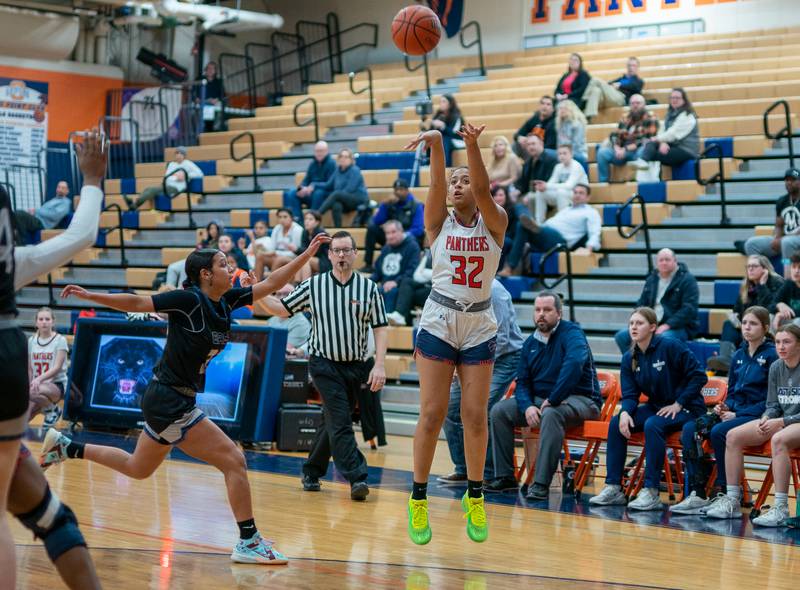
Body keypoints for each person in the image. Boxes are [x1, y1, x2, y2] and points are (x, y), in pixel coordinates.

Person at [42, 233, 331, 565]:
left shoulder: (226, 301)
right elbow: (138, 302)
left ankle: (67, 446)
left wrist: (306, 254)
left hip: (168, 399)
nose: (230, 267)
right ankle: (249, 541)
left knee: (138, 467)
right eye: (223, 264)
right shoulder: (189, 300)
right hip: (170, 401)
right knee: (234, 460)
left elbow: (269, 284)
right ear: (206, 275)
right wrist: (90, 295)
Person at [1, 129, 107, 590]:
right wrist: (94, 177)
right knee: (50, 517)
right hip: (6, 353)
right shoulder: (14, 262)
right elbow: (82, 233)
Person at [403, 122, 507, 545]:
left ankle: (475, 496)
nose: (458, 185)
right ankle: (418, 498)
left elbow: (484, 192)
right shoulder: (437, 223)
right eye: (454, 182)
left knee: (475, 416)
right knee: (431, 413)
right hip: (440, 319)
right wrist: (439, 145)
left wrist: (472, 145)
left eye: (465, 179)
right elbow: (435, 182)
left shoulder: (495, 222)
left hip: (479, 321)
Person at [258, 231, 388, 501]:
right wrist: (255, 294)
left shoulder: (369, 289)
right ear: (329, 256)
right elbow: (282, 309)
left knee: (333, 421)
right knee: (341, 420)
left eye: (346, 250)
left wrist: (380, 365)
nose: (341, 255)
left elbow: (380, 327)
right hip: (323, 364)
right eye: (336, 250)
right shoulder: (314, 286)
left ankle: (311, 471)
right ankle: (357, 477)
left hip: (355, 366)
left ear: (354, 254)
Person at [486, 291, 600, 500]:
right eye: (538, 310)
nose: (541, 314)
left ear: (559, 313)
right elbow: (522, 382)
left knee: (552, 414)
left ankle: (540, 484)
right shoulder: (530, 343)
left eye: (547, 310)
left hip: (581, 400)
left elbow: (573, 366)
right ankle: (505, 477)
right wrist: (528, 405)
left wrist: (554, 398)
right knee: (499, 411)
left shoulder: (572, 334)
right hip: (544, 401)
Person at [590, 307, 707, 510]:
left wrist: (678, 403)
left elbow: (699, 376)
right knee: (617, 422)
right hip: (659, 407)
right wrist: (625, 411)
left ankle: (651, 491)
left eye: (639, 323)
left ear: (653, 327)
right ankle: (614, 487)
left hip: (688, 407)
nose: (634, 327)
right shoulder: (629, 358)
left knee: (653, 424)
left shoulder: (670, 346)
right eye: (631, 323)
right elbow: (630, 395)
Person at [671, 306, 776, 515]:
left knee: (720, 432)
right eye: (745, 323)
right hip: (735, 413)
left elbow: (769, 399)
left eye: (753, 323)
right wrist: (725, 406)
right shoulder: (738, 355)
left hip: (756, 415)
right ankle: (698, 493)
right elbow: (734, 391)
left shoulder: (772, 355)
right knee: (691, 429)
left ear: (765, 327)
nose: (747, 327)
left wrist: (736, 414)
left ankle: (725, 492)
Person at [705, 323, 800, 526]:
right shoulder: (776, 367)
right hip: (780, 420)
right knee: (732, 436)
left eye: (787, 342)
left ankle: (781, 507)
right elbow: (773, 404)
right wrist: (767, 417)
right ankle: (732, 499)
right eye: (778, 342)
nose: (781, 347)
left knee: (779, 439)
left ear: (799, 345)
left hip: (793, 422)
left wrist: (780, 421)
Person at [437, 279, 525, 486]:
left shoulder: (494, 291)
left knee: (479, 409)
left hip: (505, 358)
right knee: (448, 407)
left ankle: (488, 472)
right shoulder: (457, 290)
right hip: (472, 358)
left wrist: (474, 369)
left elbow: (501, 339)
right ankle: (463, 468)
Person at [499, 184, 601, 277]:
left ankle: (509, 267)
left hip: (559, 241)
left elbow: (595, 232)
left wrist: (589, 248)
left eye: (581, 193)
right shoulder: (566, 209)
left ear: (588, 197)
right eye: (575, 192)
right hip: (545, 235)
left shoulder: (590, 212)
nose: (577, 195)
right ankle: (530, 222)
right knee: (520, 222)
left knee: (522, 222)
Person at [614, 248, 699, 353]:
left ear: (675, 261)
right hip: (651, 324)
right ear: (657, 263)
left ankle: (656, 368)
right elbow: (641, 303)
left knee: (662, 338)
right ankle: (635, 365)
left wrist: (666, 325)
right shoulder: (652, 279)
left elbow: (689, 309)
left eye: (667, 260)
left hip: (678, 327)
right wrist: (635, 322)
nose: (664, 263)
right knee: (622, 336)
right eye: (661, 260)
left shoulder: (687, 280)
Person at [707, 256, 783, 373]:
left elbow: (768, 309)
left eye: (754, 266)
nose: (750, 269)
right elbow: (737, 308)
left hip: (766, 326)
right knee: (728, 324)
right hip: (747, 325)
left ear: (765, 269)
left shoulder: (777, 283)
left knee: (750, 325)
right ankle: (726, 359)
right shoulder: (746, 287)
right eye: (748, 266)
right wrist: (736, 318)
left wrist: (762, 286)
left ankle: (735, 364)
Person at [636, 88, 699, 182]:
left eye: (677, 98)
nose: (674, 100)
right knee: (650, 145)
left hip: (686, 150)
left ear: (684, 100)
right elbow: (662, 132)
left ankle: (648, 181)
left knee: (652, 152)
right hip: (674, 146)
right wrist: (661, 143)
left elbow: (673, 134)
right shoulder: (670, 114)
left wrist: (657, 139)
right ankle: (644, 167)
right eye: (672, 97)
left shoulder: (688, 116)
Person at [362, 178, 424, 272]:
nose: (398, 192)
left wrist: (400, 236)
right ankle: (368, 264)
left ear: (407, 190)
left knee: (413, 237)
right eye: (396, 190)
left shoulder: (416, 205)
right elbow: (376, 221)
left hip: (408, 239)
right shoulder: (390, 203)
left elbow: (418, 229)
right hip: (391, 236)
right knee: (372, 229)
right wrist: (385, 205)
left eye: (401, 189)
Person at [595, 94, 659, 183]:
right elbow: (615, 135)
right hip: (622, 152)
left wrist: (624, 149)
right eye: (632, 103)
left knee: (643, 150)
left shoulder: (651, 117)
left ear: (644, 105)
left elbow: (645, 139)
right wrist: (616, 148)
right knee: (602, 153)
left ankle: (640, 183)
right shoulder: (625, 117)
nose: (635, 105)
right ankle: (603, 183)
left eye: (638, 103)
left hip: (637, 151)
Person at [741, 168, 800, 261]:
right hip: (784, 240)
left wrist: (783, 240)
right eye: (787, 180)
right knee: (751, 244)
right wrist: (776, 238)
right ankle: (764, 273)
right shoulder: (782, 201)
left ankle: (788, 275)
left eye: (793, 180)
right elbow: (779, 226)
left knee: (786, 242)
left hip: (795, 240)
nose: (789, 182)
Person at [124, 147, 204, 211]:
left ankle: (133, 204)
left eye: (180, 153)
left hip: (176, 188)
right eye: (177, 153)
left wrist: (186, 175)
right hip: (167, 184)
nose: (178, 155)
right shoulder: (172, 164)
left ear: (184, 155)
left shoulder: (188, 163)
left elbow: (200, 174)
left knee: (152, 190)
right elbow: (167, 176)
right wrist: (176, 176)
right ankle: (133, 206)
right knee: (148, 189)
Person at [27, 307, 68, 428]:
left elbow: (57, 368)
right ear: (36, 322)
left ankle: (52, 409)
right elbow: (29, 368)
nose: (44, 322)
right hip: (36, 387)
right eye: (41, 319)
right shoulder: (31, 340)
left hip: (56, 385)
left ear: (53, 322)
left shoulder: (60, 340)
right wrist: (30, 383)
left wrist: (38, 380)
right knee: (22, 419)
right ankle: (47, 409)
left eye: (47, 319)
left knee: (30, 392)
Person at [371, 220, 421, 314]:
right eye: (387, 233)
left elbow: (411, 271)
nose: (390, 236)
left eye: (393, 232)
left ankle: (388, 325)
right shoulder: (386, 248)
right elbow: (377, 272)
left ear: (401, 231)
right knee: (370, 291)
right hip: (385, 286)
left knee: (391, 292)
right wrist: (366, 283)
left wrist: (395, 282)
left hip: (402, 287)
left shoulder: (412, 246)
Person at [531, 144, 588, 224]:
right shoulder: (558, 167)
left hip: (578, 194)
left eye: (565, 153)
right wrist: (543, 186)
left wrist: (547, 185)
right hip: (565, 194)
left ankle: (563, 222)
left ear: (571, 154)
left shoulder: (576, 166)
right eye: (560, 154)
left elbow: (569, 186)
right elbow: (551, 183)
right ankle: (539, 222)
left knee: (561, 192)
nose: (562, 156)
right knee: (540, 192)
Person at [316, 148, 368, 228]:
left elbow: (350, 189)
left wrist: (336, 196)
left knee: (337, 194)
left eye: (346, 157)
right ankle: (338, 229)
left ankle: (317, 215)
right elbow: (328, 185)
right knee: (336, 205)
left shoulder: (355, 170)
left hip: (358, 199)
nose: (343, 159)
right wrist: (314, 185)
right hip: (344, 200)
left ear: (351, 159)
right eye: (341, 156)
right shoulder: (337, 170)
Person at [286, 141, 336, 220]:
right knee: (292, 193)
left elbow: (330, 184)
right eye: (317, 151)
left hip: (325, 195)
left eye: (321, 151)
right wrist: (302, 188)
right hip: (311, 193)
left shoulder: (332, 163)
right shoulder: (313, 163)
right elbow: (306, 180)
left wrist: (314, 186)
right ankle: (298, 220)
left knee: (318, 193)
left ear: (327, 151)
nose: (319, 153)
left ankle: (312, 219)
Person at [387, 248, 433, 327]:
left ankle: (401, 316)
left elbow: (439, 276)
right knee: (406, 282)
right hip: (426, 286)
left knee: (407, 293)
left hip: (438, 291)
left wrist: (425, 272)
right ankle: (400, 316)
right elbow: (417, 276)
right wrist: (428, 274)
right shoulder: (428, 252)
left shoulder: (444, 252)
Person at [253, 208, 303, 278]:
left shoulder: (297, 229)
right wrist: (264, 250)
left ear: (291, 218)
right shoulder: (277, 228)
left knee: (279, 259)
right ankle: (256, 284)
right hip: (277, 256)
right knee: (260, 256)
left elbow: (297, 253)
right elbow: (272, 248)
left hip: (293, 258)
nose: (282, 219)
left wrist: (276, 253)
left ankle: (271, 285)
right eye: (280, 217)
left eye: (285, 217)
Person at [513, 135, 558, 211]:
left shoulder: (551, 160)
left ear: (541, 144)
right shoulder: (528, 163)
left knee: (529, 199)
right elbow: (523, 182)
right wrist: (517, 190)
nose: (531, 147)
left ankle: (530, 221)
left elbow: (548, 182)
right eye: (528, 144)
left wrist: (530, 194)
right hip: (531, 193)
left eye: (533, 144)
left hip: (546, 193)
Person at [421, 94, 465, 167]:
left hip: (458, 140)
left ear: (450, 104)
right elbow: (433, 132)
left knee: (444, 139)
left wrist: (443, 126)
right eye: (440, 102)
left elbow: (455, 133)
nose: (441, 104)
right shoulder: (438, 115)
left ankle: (445, 165)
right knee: (430, 138)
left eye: (444, 101)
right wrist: (431, 127)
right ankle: (428, 161)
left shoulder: (456, 117)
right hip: (445, 140)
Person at [267, 283, 311, 355]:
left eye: (286, 294)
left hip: (290, 364)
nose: (282, 298)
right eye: (278, 294)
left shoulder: (301, 323)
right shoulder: (272, 320)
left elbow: (283, 349)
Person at [295, 210, 330, 282]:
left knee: (305, 260)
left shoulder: (321, 234)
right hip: (313, 259)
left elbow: (315, 252)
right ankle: (297, 284)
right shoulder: (305, 232)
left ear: (317, 222)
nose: (307, 221)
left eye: (310, 219)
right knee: (303, 259)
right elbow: (304, 249)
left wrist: (297, 249)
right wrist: (299, 250)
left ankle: (304, 287)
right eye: (306, 219)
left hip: (326, 262)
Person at [555, 100, 588, 171]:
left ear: (571, 109)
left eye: (564, 108)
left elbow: (576, 144)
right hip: (564, 153)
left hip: (578, 153)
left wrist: (564, 154)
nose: (561, 110)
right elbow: (559, 144)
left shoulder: (577, 124)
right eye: (560, 108)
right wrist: (561, 153)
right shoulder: (560, 125)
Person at [771, 253, 800, 329]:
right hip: (791, 320)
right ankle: (774, 340)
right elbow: (771, 305)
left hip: (796, 321)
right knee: (770, 317)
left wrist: (781, 314)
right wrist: (779, 305)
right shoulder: (788, 284)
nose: (796, 271)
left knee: (798, 321)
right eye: (793, 267)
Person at [197, 61, 225, 132]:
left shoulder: (218, 82)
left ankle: (215, 129)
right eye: (208, 68)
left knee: (220, 106)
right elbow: (195, 94)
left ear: (215, 71)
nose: (210, 70)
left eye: (212, 69)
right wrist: (201, 100)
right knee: (206, 107)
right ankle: (204, 129)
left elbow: (222, 95)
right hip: (202, 102)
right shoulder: (199, 79)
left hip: (214, 103)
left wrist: (217, 99)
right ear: (205, 70)